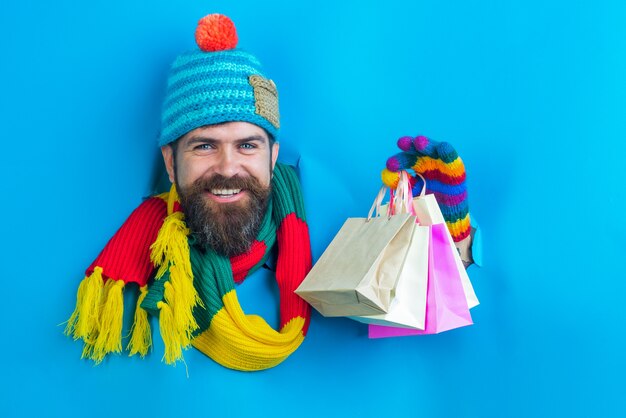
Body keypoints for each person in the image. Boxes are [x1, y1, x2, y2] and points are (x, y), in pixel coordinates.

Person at [64, 14, 312, 371]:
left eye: (247, 145)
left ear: (272, 158)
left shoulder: (309, 226)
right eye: (205, 146)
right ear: (170, 162)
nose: (227, 167)